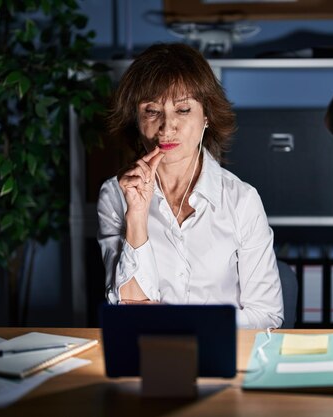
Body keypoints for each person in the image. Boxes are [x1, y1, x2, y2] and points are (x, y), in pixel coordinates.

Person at [96, 43, 283, 329]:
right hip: (149, 355)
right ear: (136, 119)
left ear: (206, 116)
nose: (167, 126)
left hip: (226, 355)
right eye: (152, 111)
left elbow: (266, 315)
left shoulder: (241, 199)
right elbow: (126, 311)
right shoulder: (114, 194)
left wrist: (183, 324)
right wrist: (137, 214)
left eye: (183, 109)